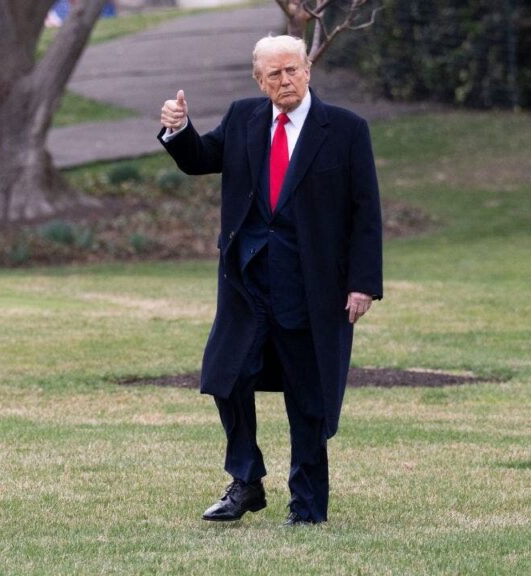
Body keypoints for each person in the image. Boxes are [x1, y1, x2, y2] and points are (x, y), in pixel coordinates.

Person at [157, 34, 383, 525]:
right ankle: (246, 481)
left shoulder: (345, 129)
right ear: (260, 81)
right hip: (248, 281)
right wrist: (178, 130)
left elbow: (366, 212)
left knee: (308, 398)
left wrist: (362, 284)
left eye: (293, 70)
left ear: (308, 71)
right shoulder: (244, 118)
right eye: (275, 74)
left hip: (312, 286)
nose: (286, 80)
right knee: (225, 376)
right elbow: (201, 158)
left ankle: (307, 508)